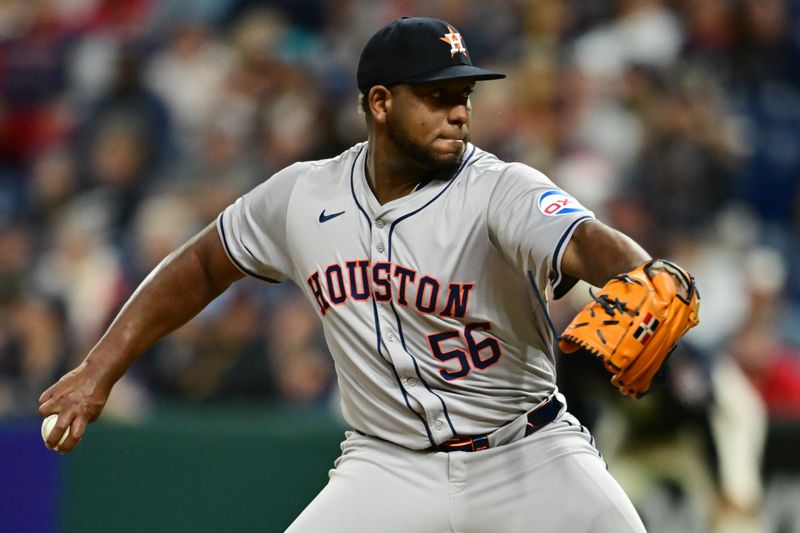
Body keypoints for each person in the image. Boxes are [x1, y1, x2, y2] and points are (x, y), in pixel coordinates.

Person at [39, 17, 659, 532]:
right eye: (437, 97)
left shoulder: (501, 188)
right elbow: (202, 263)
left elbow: (585, 241)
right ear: (381, 103)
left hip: (528, 453)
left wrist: (646, 275)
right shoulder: (304, 196)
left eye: (463, 96)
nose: (459, 114)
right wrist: (99, 369)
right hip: (388, 467)